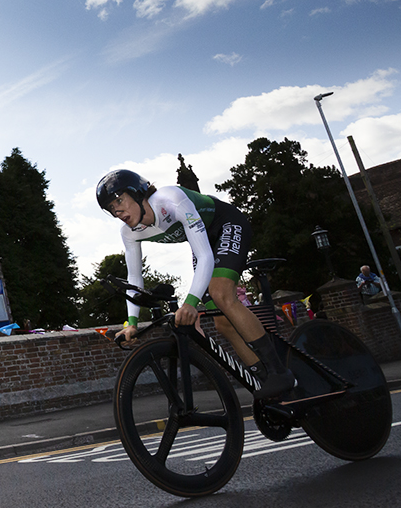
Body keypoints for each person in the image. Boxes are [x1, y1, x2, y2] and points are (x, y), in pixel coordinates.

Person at [96, 169, 295, 400]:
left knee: (221, 294)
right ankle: (264, 379)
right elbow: (134, 277)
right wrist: (131, 323)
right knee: (223, 324)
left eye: (119, 200)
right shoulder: (130, 232)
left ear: (138, 193)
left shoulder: (171, 200)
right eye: (111, 208)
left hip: (226, 223)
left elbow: (204, 256)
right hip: (204, 240)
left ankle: (280, 372)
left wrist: (190, 303)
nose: (117, 211)